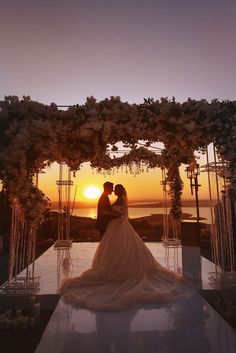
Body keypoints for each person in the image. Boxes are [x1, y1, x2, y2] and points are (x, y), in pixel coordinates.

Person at [59, 184, 190, 312]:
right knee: (117, 247)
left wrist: (116, 215)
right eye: (113, 188)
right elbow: (110, 212)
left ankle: (118, 267)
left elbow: (118, 213)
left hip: (118, 226)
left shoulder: (118, 200)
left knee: (121, 246)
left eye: (116, 189)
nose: (114, 190)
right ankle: (114, 265)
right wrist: (115, 215)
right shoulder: (110, 198)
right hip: (115, 225)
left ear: (119, 191)